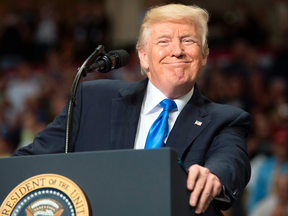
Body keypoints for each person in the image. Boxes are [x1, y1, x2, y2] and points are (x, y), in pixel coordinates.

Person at [14, 4, 251, 215]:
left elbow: (230, 161)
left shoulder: (225, 119)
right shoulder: (93, 100)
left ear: (204, 56)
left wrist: (214, 177)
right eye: (164, 41)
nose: (177, 50)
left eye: (188, 40)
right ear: (144, 57)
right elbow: (26, 163)